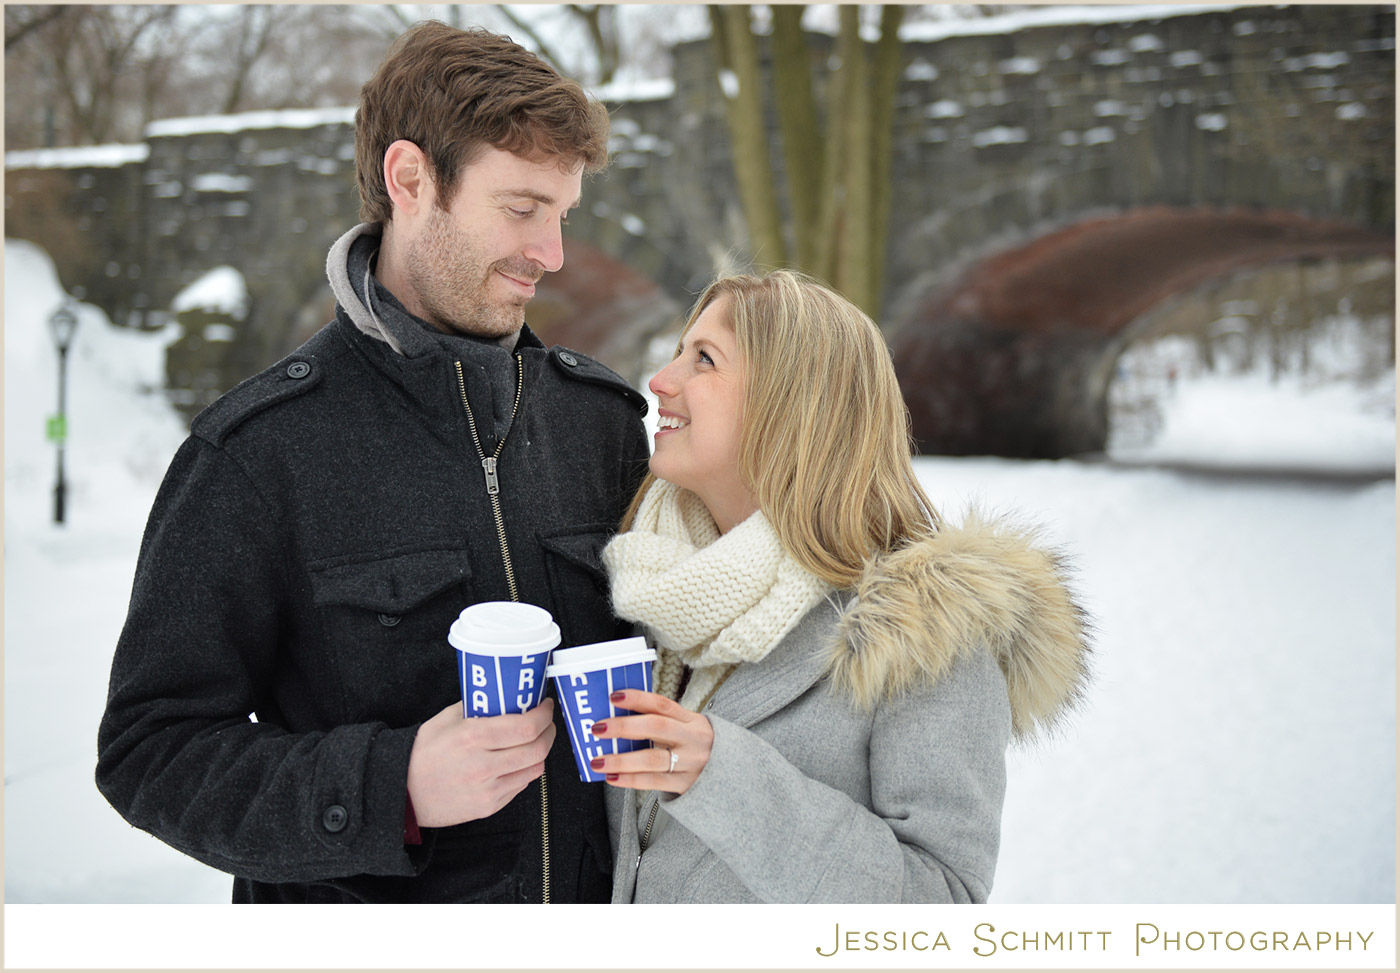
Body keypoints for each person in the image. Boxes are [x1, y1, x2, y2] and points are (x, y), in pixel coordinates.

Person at [95, 22, 650, 903]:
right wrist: (389, 786)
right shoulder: (257, 451)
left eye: (562, 215)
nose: (551, 253)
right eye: (520, 208)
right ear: (410, 180)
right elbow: (150, 750)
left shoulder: (604, 423)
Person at [591, 270, 1092, 903]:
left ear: (793, 405)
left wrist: (724, 778)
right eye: (674, 355)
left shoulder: (920, 632)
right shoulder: (645, 587)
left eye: (704, 360)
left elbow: (941, 907)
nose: (661, 383)